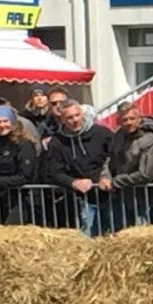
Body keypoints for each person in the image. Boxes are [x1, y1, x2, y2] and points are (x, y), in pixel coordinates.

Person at [42, 100, 113, 234]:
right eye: (69, 117)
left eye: (77, 115)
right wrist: (73, 182)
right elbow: (54, 172)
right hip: (83, 199)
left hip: (110, 194)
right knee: (88, 239)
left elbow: (116, 158)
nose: (74, 120)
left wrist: (107, 176)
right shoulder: (57, 142)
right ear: (62, 119)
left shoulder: (102, 133)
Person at [101, 104, 153, 229]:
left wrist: (116, 181)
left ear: (139, 119)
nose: (129, 123)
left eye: (132, 118)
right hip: (122, 197)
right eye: (125, 120)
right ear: (118, 121)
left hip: (145, 198)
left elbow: (146, 173)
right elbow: (110, 159)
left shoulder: (151, 139)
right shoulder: (118, 135)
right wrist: (105, 176)